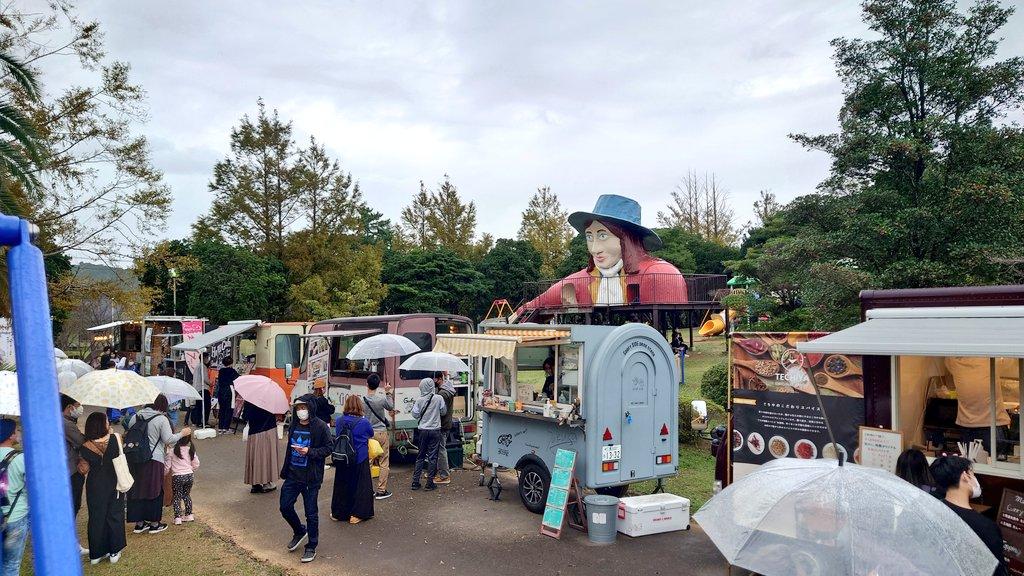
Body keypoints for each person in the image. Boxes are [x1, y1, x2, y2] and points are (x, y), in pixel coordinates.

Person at [519, 195, 688, 313]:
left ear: (626, 238)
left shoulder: (658, 274)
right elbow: (532, 307)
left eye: (602, 236)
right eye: (589, 237)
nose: (594, 249)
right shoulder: (579, 280)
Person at [930, 456, 1007, 576]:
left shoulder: (930, 512)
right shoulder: (986, 527)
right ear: (965, 476)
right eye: (973, 474)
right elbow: (997, 571)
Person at [125, 394, 190, 534]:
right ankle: (154, 524)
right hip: (154, 459)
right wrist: (182, 433)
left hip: (134, 458)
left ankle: (139, 523)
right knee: (153, 489)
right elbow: (169, 440)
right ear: (162, 406)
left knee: (137, 488)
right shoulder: (161, 419)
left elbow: (129, 431)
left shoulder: (135, 417)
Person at [280, 398, 332, 564]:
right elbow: (289, 449)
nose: (301, 411)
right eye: (298, 408)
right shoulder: (294, 425)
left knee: (311, 513)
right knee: (285, 506)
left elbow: (329, 448)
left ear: (310, 408)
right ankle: (299, 531)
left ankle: (312, 545)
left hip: (311, 477)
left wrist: (310, 451)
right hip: (293, 475)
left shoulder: (320, 426)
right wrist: (285, 469)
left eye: (303, 407)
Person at [79, 412, 126, 565]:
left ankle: (96, 554)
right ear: (102, 424)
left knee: (96, 517)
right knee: (115, 514)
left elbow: (83, 469)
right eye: (106, 421)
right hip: (114, 481)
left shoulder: (85, 446)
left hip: (95, 484)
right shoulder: (116, 438)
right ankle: (114, 550)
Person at [330, 395, 375, 524]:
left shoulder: (339, 420)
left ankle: (339, 513)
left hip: (342, 457)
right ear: (360, 406)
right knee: (361, 487)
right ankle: (357, 514)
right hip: (359, 458)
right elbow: (371, 434)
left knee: (342, 486)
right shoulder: (364, 422)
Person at [61, 394, 90, 555]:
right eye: (77, 405)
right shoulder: (66, 424)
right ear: (69, 407)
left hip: (65, 469)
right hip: (71, 470)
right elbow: (81, 442)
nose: (80, 408)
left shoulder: (63, 421)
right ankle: (70, 543)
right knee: (73, 505)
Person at [0, 419, 27, 575]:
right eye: (16, 431)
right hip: (14, 517)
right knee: (11, 564)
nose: (18, 433)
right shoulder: (20, 459)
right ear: (10, 435)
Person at [411, 377, 446, 491]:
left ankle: (415, 482)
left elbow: (415, 415)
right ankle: (429, 483)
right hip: (435, 430)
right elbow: (443, 411)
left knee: (420, 456)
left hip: (422, 430)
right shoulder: (438, 398)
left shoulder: (419, 400)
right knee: (432, 457)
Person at [362, 374, 393, 499]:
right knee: (384, 461)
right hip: (381, 432)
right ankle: (381, 490)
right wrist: (388, 392)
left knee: (368, 462)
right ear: (378, 385)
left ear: (366, 384)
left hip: (369, 434)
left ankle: (367, 489)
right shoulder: (381, 399)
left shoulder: (362, 400)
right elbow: (390, 406)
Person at [242, 399, 279, 493]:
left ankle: (255, 483)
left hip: (254, 431)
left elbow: (244, 416)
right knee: (266, 457)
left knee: (254, 457)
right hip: (268, 429)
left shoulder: (249, 399)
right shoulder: (270, 398)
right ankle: (266, 483)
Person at [165, 433, 200, 525]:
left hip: (177, 476)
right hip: (189, 475)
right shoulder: (190, 450)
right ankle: (189, 515)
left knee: (177, 496)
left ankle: (177, 517)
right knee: (186, 495)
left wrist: (164, 474)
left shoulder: (172, 452)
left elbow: (167, 467)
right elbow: (196, 463)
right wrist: (191, 469)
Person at [434, 372, 456, 485]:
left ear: (438, 379)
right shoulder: (449, 388)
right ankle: (439, 472)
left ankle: (444, 475)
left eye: (434, 379)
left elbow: (440, 410)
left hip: (442, 423)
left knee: (440, 449)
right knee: (439, 448)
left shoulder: (442, 394)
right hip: (447, 422)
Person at [215, 357, 240, 432]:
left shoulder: (221, 371)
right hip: (229, 390)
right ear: (231, 363)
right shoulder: (232, 371)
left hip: (221, 391)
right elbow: (238, 378)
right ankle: (226, 428)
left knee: (222, 409)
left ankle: (220, 427)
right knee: (229, 409)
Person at [189, 354, 213, 427]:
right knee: (206, 406)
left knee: (199, 407)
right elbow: (205, 378)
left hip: (197, 389)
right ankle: (204, 422)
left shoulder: (197, 366)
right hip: (203, 389)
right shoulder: (203, 366)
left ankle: (198, 422)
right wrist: (210, 383)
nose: (208, 360)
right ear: (205, 358)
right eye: (207, 358)